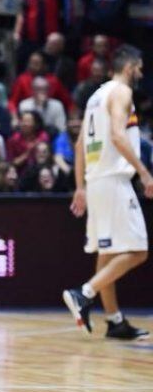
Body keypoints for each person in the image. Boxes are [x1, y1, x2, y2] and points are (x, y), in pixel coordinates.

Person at [63, 45, 151, 341]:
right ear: (129, 67)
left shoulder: (94, 97)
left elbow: (79, 147)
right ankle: (83, 293)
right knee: (138, 251)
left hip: (96, 181)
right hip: (114, 180)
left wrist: (80, 187)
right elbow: (117, 135)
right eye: (138, 68)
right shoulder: (121, 92)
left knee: (108, 253)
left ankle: (114, 320)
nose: (140, 73)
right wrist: (144, 172)